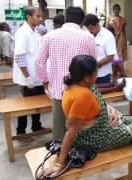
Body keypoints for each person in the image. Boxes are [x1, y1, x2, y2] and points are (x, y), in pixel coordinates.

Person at [35, 55, 132, 178]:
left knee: (127, 119)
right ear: (86, 77)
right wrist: (60, 163)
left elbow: (96, 105)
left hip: (99, 126)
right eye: (96, 72)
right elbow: (71, 131)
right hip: (95, 139)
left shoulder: (77, 85)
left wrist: (110, 111)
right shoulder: (81, 95)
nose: (98, 75)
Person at [36, 6, 97, 140]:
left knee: (59, 129)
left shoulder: (49, 36)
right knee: (81, 127)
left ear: (65, 19)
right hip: (81, 91)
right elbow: (93, 64)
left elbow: (39, 62)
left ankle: (58, 154)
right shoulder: (88, 37)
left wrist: (46, 82)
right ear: (81, 21)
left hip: (59, 90)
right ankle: (78, 154)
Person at [13, 7, 45, 135]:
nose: (41, 19)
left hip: (36, 77)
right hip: (28, 78)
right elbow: (19, 56)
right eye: (38, 16)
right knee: (25, 107)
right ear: (29, 17)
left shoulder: (35, 32)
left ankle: (36, 127)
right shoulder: (23, 32)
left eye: (41, 16)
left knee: (37, 104)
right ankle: (21, 132)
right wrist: (27, 77)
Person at [84, 14, 117, 84]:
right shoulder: (88, 35)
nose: (90, 31)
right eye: (88, 29)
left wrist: (95, 64)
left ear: (97, 24)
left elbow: (110, 57)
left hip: (103, 74)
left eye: (91, 28)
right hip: (90, 74)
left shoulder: (108, 36)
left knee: (102, 94)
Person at [105, 4, 127, 78]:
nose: (116, 10)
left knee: (118, 56)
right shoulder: (109, 18)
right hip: (111, 38)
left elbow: (122, 31)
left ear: (119, 10)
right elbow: (106, 28)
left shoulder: (122, 19)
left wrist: (122, 39)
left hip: (119, 39)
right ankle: (117, 72)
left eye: (117, 9)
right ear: (113, 10)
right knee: (113, 56)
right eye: (115, 9)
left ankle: (120, 72)